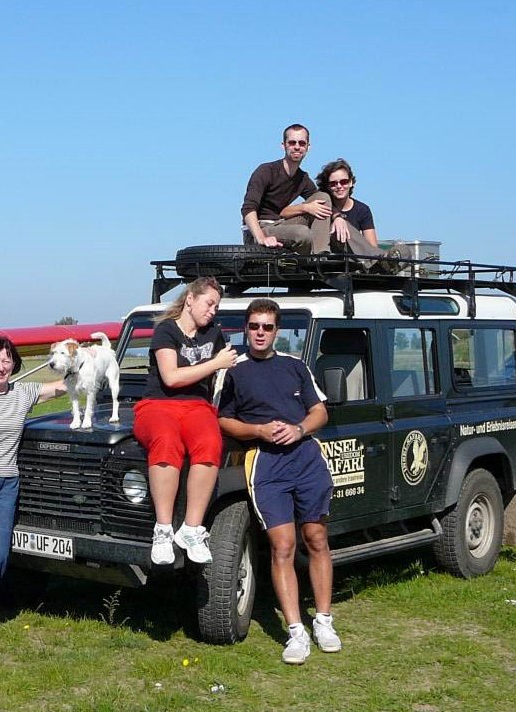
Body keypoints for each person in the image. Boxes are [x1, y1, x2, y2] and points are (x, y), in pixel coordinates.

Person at [217, 298, 342, 665]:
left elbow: (320, 410)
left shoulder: (295, 366)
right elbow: (224, 420)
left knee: (316, 537)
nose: (259, 333)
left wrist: (299, 428)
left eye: (267, 327)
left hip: (305, 458)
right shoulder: (235, 371)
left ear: (277, 331)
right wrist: (257, 430)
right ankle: (296, 632)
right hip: (266, 464)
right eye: (254, 326)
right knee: (282, 545)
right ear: (245, 328)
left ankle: (323, 621)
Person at [0, 336, 66, 637]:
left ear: (14, 363)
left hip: (7, 482)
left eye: (6, 359)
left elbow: (61, 387)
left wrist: (78, 361)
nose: (1, 365)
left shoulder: (23, 392)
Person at [133, 277, 240, 566]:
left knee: (209, 443)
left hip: (197, 405)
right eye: (209, 303)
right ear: (190, 299)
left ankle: (192, 529)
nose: (213, 311)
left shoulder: (215, 334)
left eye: (216, 306)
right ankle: (163, 529)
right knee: (166, 442)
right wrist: (215, 363)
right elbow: (171, 377)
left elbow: (228, 373)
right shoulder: (166, 331)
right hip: (159, 403)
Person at [240, 123, 334, 254]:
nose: (297, 147)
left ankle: (322, 254)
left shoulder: (302, 178)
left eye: (301, 143)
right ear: (283, 145)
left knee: (323, 197)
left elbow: (319, 199)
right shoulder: (266, 171)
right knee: (302, 233)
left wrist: (339, 217)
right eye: (292, 142)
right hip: (259, 228)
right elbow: (248, 209)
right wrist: (260, 237)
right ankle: (311, 259)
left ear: (308, 147)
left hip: (281, 224)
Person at [315, 158, 395, 269]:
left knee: (405, 252)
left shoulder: (362, 209)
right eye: (333, 183)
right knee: (341, 226)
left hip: (358, 259)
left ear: (351, 182)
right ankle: (384, 261)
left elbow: (371, 245)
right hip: (333, 256)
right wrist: (337, 220)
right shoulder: (322, 205)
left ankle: (386, 262)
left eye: (343, 182)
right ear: (328, 186)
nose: (339, 186)